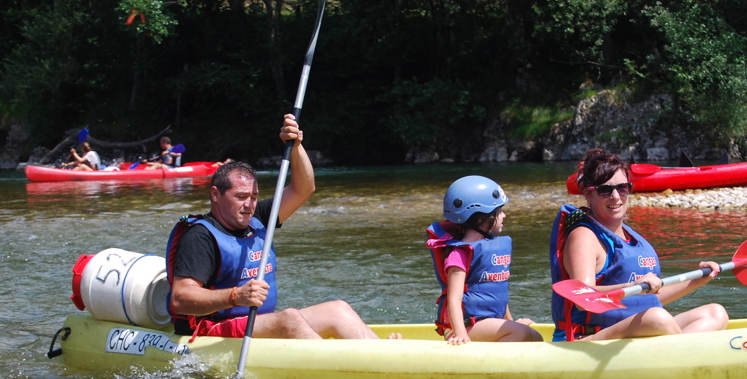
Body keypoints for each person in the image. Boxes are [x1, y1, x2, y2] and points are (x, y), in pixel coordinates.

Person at [165, 114, 395, 341]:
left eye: (254, 197)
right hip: (212, 329)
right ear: (215, 194)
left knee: (338, 309)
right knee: (289, 318)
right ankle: (348, 368)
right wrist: (235, 296)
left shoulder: (260, 217)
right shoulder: (200, 236)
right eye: (241, 196)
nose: (249, 205)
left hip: (257, 323)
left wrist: (295, 146)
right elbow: (181, 298)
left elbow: (303, 188)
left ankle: (382, 358)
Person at [550, 148, 729, 342]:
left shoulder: (628, 234)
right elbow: (582, 298)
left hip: (637, 329)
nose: (616, 197)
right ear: (588, 194)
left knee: (714, 313)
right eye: (605, 191)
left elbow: (648, 299)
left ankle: (678, 354)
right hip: (588, 339)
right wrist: (632, 285)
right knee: (656, 317)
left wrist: (699, 279)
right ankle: (688, 357)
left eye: (622, 188)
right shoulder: (584, 236)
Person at [425, 176, 542, 344]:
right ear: (480, 218)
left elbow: (498, 295)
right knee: (521, 333)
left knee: (536, 337)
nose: (504, 215)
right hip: (464, 327)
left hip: (487, 324)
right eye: (499, 211)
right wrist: (460, 334)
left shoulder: (489, 250)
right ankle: (494, 369)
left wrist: (511, 322)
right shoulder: (459, 254)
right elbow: (454, 298)